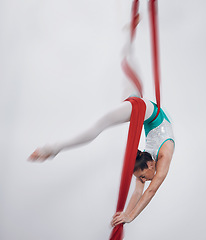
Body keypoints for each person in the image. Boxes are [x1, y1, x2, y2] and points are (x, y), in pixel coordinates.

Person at [28, 18, 175, 228]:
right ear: (151, 165)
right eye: (143, 176)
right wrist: (132, 216)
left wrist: (124, 215)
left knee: (129, 71)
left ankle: (129, 33)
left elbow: (137, 191)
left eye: (141, 177)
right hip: (145, 110)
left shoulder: (145, 163)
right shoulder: (164, 157)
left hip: (138, 108)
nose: (144, 180)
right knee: (100, 126)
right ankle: (52, 149)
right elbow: (151, 191)